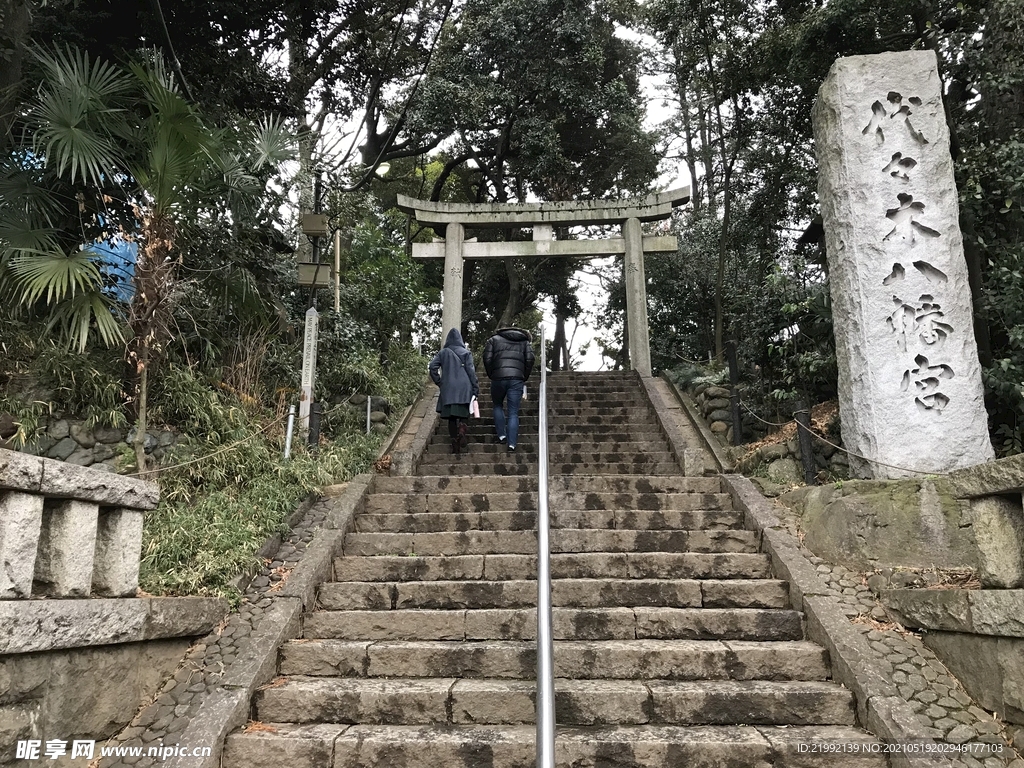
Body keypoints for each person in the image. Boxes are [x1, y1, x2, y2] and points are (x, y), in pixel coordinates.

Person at [483, 327, 535, 452]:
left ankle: (501, 436)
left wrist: (492, 374)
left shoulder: (493, 340)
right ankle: (512, 444)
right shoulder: (525, 342)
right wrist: (524, 376)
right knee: (513, 412)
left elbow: (487, 358)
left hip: (498, 378)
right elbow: (530, 359)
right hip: (516, 379)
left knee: (497, 405)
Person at [429, 328, 480, 455]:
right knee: (464, 413)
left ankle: (453, 441)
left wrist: (439, 382)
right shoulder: (466, 353)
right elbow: (471, 372)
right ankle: (462, 431)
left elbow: (432, 367)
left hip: (449, 389)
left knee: (451, 418)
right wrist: (475, 388)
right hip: (464, 387)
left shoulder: (443, 353)